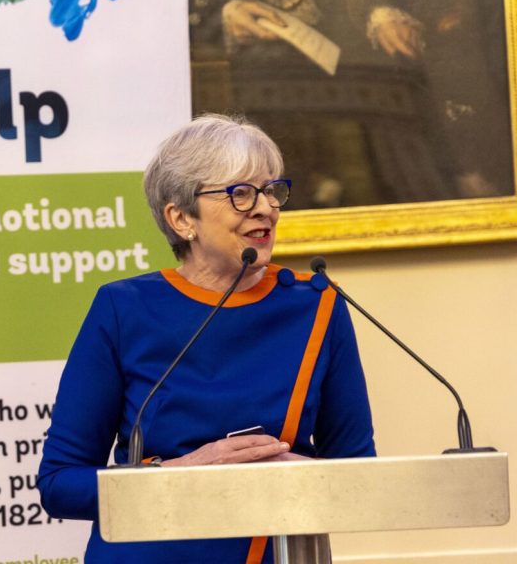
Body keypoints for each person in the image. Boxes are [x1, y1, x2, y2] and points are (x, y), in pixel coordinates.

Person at [38, 114, 375, 563]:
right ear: (181, 219)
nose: (265, 208)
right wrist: (184, 473)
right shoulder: (123, 309)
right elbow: (60, 484)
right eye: (241, 193)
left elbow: (361, 477)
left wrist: (299, 476)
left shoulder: (316, 306)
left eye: (271, 191)